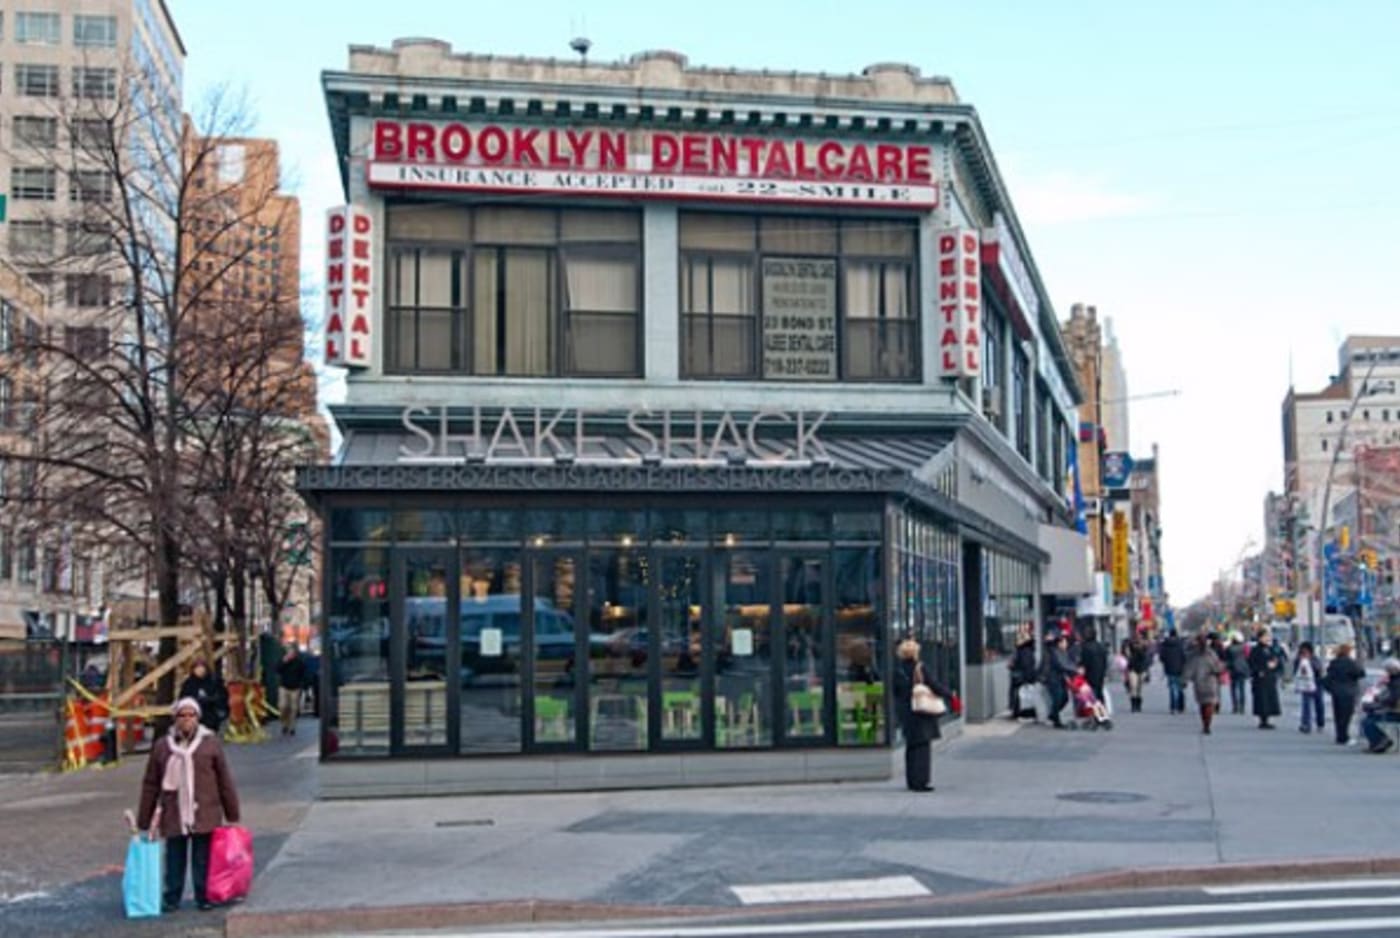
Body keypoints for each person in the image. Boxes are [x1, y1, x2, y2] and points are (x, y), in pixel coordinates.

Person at [136, 698, 241, 912]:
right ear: (175, 719)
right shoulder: (162, 747)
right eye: (182, 715)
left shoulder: (210, 743)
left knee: (203, 857)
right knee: (175, 856)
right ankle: (172, 896)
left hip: (205, 810)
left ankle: (203, 896)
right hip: (174, 811)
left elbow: (224, 779)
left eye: (191, 715)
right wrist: (144, 819)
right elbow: (151, 783)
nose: (186, 720)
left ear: (198, 718)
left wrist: (232, 812)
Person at [892, 637, 953, 791]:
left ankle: (911, 780)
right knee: (922, 748)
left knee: (911, 747)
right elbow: (934, 684)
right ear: (915, 653)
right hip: (921, 711)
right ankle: (921, 781)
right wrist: (950, 695)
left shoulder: (897, 670)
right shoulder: (920, 668)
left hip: (906, 712)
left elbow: (895, 691)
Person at [1324, 642, 1367, 746]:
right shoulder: (1350, 663)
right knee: (1347, 715)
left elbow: (1329, 675)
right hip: (1348, 691)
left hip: (1336, 691)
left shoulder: (1334, 662)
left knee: (1338, 714)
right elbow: (1361, 673)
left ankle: (1339, 735)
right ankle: (1344, 736)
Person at [1182, 633, 1225, 735]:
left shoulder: (1193, 655)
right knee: (1209, 704)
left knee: (1203, 705)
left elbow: (1189, 669)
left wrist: (1184, 680)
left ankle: (1205, 724)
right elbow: (1217, 667)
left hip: (1199, 682)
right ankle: (1207, 724)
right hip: (1210, 682)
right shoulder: (1211, 654)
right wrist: (1220, 670)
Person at [1248, 627, 1285, 729]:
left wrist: (1275, 665)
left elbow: (1277, 660)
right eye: (1265, 636)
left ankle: (1267, 718)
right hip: (1260, 678)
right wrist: (1260, 669)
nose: (1267, 638)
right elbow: (1252, 663)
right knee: (1262, 699)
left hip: (1270, 678)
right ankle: (1263, 719)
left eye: (1267, 636)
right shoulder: (1256, 650)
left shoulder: (1271, 649)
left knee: (1269, 699)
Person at [1360, 658, 1400, 754]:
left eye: (1387, 670)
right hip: (1395, 710)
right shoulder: (1394, 681)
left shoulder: (1396, 682)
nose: (1386, 672)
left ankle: (1380, 741)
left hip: (1396, 713)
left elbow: (1392, 699)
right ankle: (1379, 742)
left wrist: (1376, 705)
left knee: (1368, 721)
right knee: (1370, 718)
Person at [178, 660, 228, 734]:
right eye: (197, 668)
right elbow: (183, 698)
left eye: (202, 668)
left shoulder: (214, 681)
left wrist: (211, 700)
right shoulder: (188, 683)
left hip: (211, 714)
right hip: (194, 715)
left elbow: (222, 696)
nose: (200, 670)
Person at [1039, 630, 1077, 728]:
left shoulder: (1058, 651)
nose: (1065, 643)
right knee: (1058, 698)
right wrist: (1075, 670)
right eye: (1063, 641)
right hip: (1053, 678)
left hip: (1058, 678)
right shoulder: (1054, 651)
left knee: (1063, 697)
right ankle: (1055, 718)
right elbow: (1062, 664)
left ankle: (1053, 714)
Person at [1292, 642, 1325, 734]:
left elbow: (1319, 669)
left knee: (1319, 704)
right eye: (1302, 651)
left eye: (1306, 651)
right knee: (1306, 705)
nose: (1304, 653)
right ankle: (1306, 724)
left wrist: (1309, 663)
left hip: (1316, 683)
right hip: (1305, 684)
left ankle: (1320, 723)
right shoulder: (1299, 660)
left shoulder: (1314, 659)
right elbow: (1296, 671)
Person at [1007, 625, 1037, 719]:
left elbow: (1024, 664)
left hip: (1020, 676)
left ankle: (1018, 711)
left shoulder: (1023, 651)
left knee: (1019, 694)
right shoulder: (1026, 651)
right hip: (1022, 675)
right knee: (1020, 694)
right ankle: (1020, 711)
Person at [276, 646, 307, 736]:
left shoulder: (299, 663)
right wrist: (283, 662)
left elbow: (303, 673)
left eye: (292, 653)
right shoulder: (283, 660)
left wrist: (302, 685)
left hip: (295, 688)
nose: (291, 655)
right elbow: (277, 670)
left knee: (293, 708)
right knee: (283, 706)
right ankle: (284, 723)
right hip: (284, 687)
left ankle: (292, 727)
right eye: (289, 653)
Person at [1078, 624, 1110, 704]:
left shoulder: (1085, 647)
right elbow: (1105, 660)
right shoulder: (1101, 646)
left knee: (1093, 693)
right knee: (1099, 692)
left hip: (1090, 673)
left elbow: (1084, 661)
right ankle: (1102, 711)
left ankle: (1098, 712)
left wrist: (1081, 668)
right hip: (1100, 673)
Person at [1121, 629, 1152, 713]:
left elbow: (1147, 656)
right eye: (1137, 637)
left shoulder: (1145, 645)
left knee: (1139, 688)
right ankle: (1133, 706)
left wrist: (1143, 646)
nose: (1138, 638)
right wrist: (1127, 651)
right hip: (1132, 667)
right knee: (1133, 686)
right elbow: (1125, 653)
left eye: (1140, 637)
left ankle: (1138, 704)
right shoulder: (1130, 644)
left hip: (1142, 668)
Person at [1158, 629, 1187, 714]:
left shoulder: (1165, 644)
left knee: (1172, 688)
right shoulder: (1180, 644)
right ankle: (1179, 706)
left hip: (1169, 669)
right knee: (1179, 688)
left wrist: (1167, 662)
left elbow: (1161, 657)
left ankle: (1173, 707)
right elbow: (1184, 657)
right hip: (1179, 669)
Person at [1225, 632, 1250, 714]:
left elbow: (1226, 659)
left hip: (1233, 669)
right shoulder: (1244, 647)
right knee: (1242, 688)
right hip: (1242, 669)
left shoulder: (1229, 648)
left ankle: (1235, 706)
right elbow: (1248, 657)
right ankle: (1242, 707)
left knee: (1233, 689)